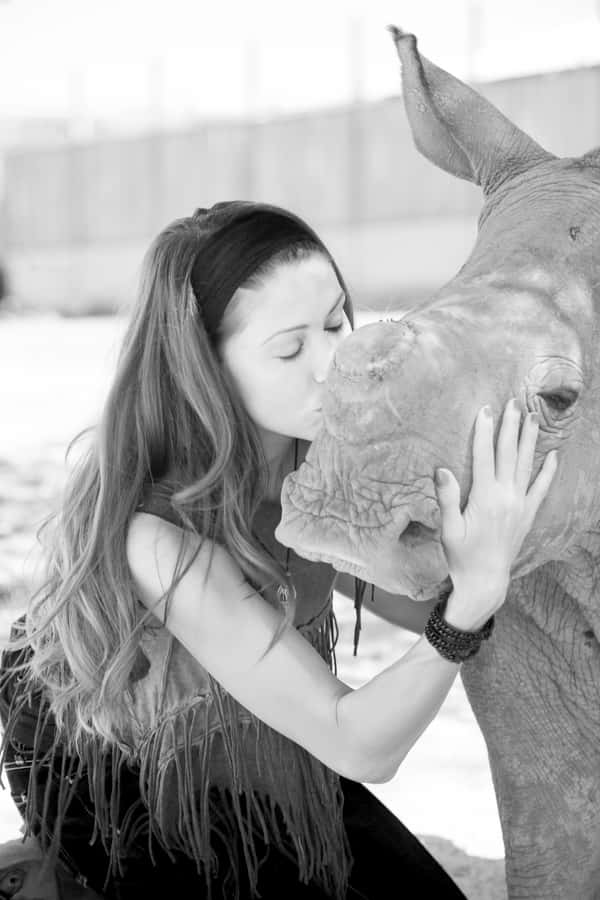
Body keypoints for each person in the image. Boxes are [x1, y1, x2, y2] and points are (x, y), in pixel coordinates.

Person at [0, 201, 557, 900]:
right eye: (290, 349)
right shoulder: (158, 538)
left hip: (253, 727)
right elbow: (360, 744)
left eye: (336, 322)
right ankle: (48, 872)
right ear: (204, 368)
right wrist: (468, 604)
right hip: (113, 761)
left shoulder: (320, 444)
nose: (333, 365)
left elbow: (417, 601)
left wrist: (484, 551)